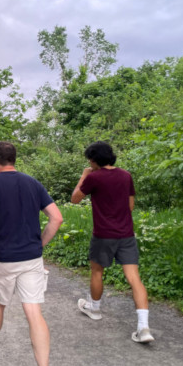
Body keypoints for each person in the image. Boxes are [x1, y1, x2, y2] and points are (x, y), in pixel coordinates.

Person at [0, 142, 63, 366]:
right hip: (31, 259)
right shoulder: (33, 183)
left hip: (1, 259)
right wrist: (39, 244)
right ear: (14, 159)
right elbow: (56, 218)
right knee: (34, 312)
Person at [71, 141, 154, 343]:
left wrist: (84, 175)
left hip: (103, 235)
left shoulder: (94, 177)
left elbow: (74, 199)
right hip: (126, 234)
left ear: (93, 160)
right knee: (134, 277)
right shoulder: (126, 175)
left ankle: (95, 308)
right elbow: (130, 205)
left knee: (97, 271)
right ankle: (143, 327)